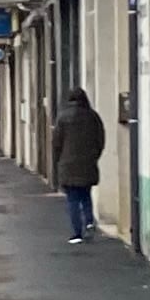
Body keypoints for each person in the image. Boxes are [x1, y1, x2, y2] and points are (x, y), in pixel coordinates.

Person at [48, 87, 107, 241]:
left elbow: (56, 143)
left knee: (73, 200)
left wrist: (58, 161)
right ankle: (89, 221)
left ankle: (77, 233)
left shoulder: (63, 118)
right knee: (86, 196)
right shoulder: (93, 116)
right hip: (88, 164)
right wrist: (94, 156)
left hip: (67, 166)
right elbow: (100, 139)